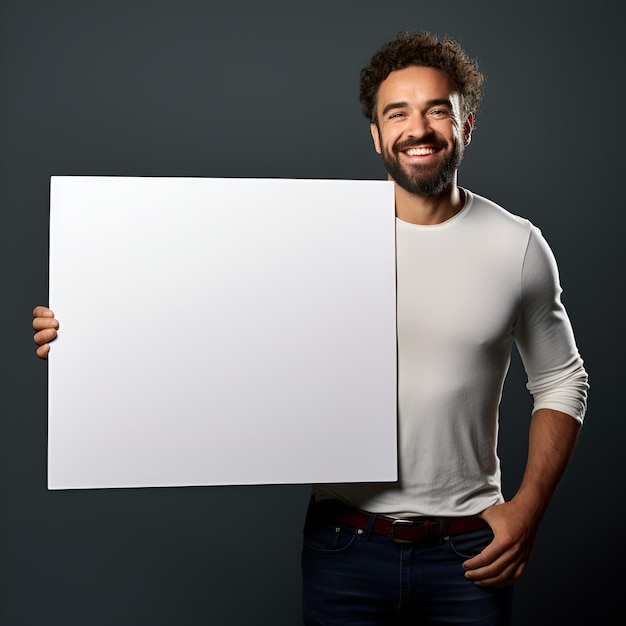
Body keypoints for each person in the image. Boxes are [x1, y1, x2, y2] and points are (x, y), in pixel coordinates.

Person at [33, 31, 588, 626]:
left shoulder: (516, 245)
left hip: (470, 549)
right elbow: (209, 324)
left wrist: (527, 510)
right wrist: (89, 331)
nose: (417, 128)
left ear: (465, 123)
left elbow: (562, 379)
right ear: (376, 135)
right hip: (345, 547)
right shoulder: (316, 240)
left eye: (436, 110)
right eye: (396, 112)